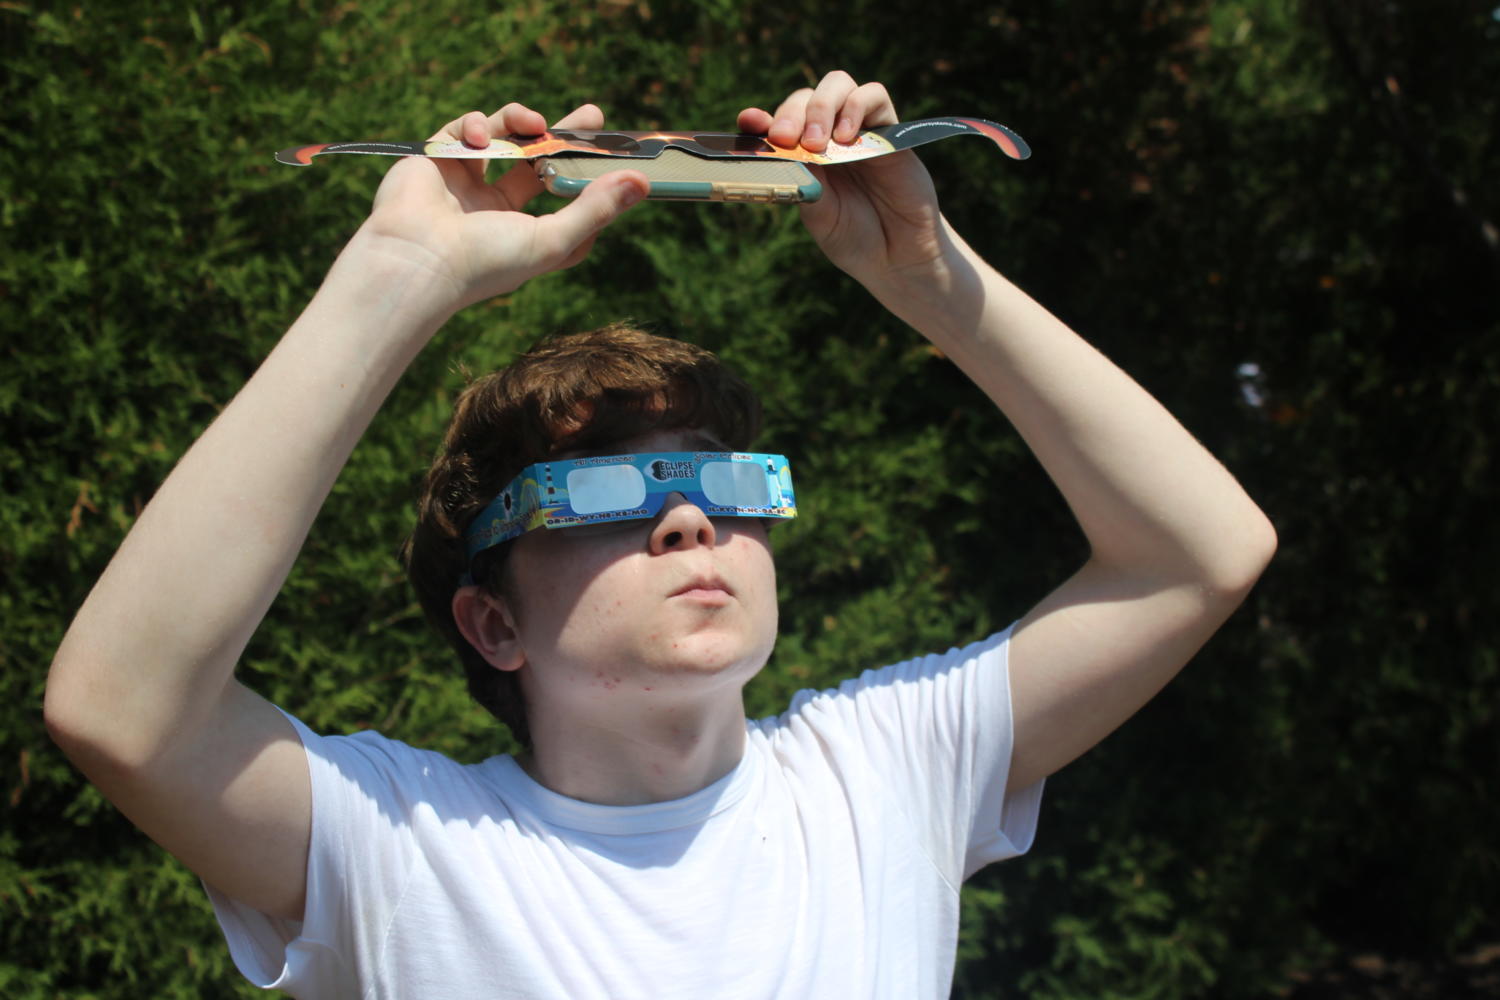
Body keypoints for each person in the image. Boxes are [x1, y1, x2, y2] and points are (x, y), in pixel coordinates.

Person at [44, 72, 1276, 998]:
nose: (691, 514)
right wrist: (398, 276)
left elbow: (1201, 554)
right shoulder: (405, 847)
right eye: (604, 495)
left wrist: (925, 274)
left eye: (727, 484)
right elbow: (123, 711)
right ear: (493, 620)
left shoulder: (885, 775)